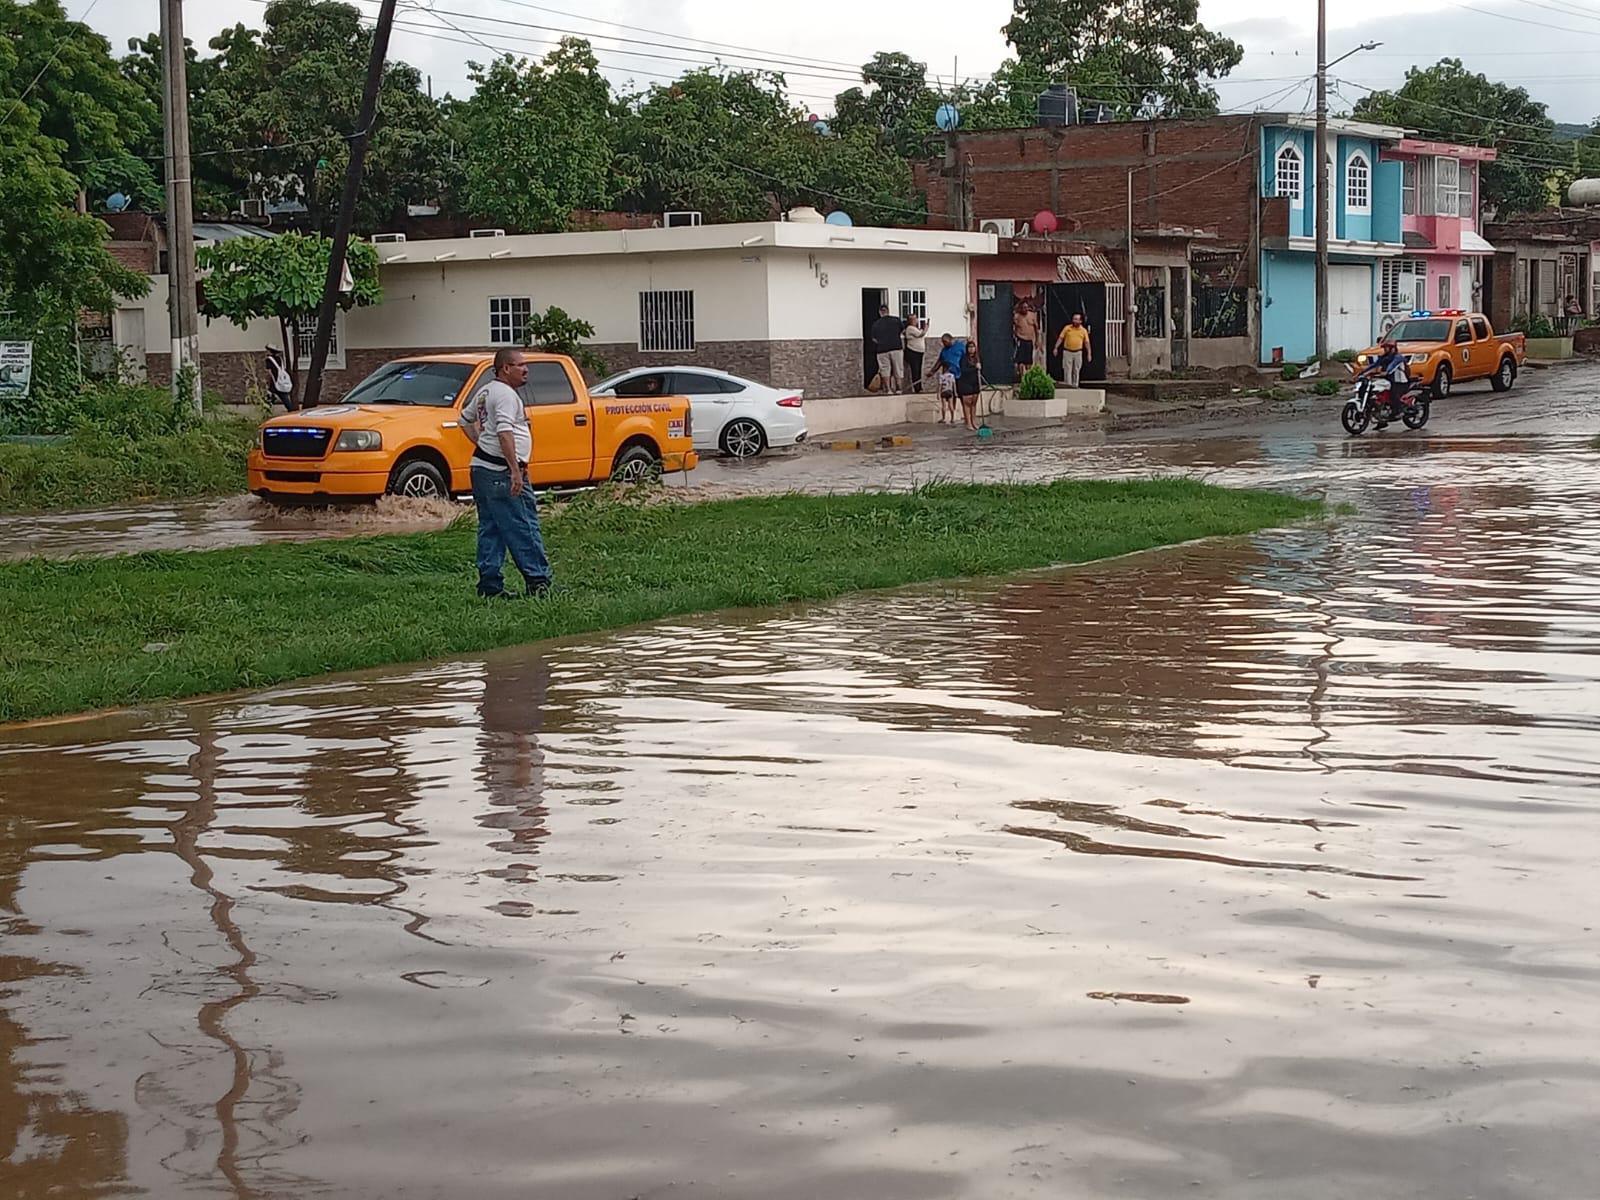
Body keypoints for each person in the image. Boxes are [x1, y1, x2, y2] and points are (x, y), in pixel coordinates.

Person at [459, 348, 553, 599]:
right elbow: (504, 432)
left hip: (482, 468)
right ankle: (539, 583)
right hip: (501, 472)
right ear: (505, 368)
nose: (526, 370)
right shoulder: (505, 395)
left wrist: (481, 445)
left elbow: (464, 419)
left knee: (491, 528)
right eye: (520, 365)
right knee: (522, 526)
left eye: (526, 365)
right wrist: (514, 470)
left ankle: (490, 587)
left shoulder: (486, 390)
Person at [1358, 338, 1412, 422]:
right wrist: (1361, 373)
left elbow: (1392, 366)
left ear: (1392, 348)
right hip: (1389, 381)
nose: (1385, 349)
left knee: (1393, 395)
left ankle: (1397, 412)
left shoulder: (1398, 358)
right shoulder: (1384, 357)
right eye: (1384, 348)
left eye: (1387, 347)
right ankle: (1380, 417)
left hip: (1400, 382)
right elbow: (1374, 365)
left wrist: (1386, 372)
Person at [869, 303, 905, 393]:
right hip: (896, 348)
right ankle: (899, 389)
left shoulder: (876, 324)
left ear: (880, 312)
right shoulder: (896, 320)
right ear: (888, 311)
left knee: (885, 370)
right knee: (898, 368)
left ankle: (888, 390)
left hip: (882, 350)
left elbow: (874, 339)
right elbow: (903, 331)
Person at [1055, 312, 1091, 387]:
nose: (1075, 321)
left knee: (1076, 370)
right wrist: (1056, 347)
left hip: (1078, 352)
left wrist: (1089, 354)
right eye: (1074, 319)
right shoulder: (1067, 328)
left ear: (1080, 321)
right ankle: (1068, 386)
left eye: (1077, 319)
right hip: (1067, 352)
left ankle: (1075, 386)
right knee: (1067, 370)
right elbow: (1060, 338)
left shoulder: (1083, 330)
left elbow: (1087, 343)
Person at [935, 332, 964, 424]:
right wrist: (932, 371)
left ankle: (960, 414)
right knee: (947, 401)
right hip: (948, 383)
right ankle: (947, 417)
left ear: (950, 340)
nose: (944, 344)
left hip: (959, 374)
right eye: (943, 342)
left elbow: (966, 357)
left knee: (960, 395)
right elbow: (939, 361)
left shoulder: (960, 346)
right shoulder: (944, 351)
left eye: (945, 342)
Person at [956, 338, 982, 431]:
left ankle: (974, 421)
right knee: (967, 403)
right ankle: (968, 422)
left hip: (975, 382)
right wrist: (974, 368)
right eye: (969, 347)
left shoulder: (977, 358)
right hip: (965, 382)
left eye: (973, 347)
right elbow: (963, 370)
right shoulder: (964, 359)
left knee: (974, 403)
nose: (971, 349)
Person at [1012, 299, 1038, 376]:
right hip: (1021, 339)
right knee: (1020, 361)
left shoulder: (1032, 315)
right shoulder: (1017, 316)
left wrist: (1037, 340)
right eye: (1023, 307)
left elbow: (1036, 329)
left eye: (1026, 307)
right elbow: (1013, 327)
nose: (1024, 309)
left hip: (1029, 340)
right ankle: (1021, 377)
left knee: (1029, 361)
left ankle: (1028, 376)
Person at [902, 314, 927, 393]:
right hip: (913, 351)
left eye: (916, 319)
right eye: (913, 319)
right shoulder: (910, 328)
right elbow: (921, 334)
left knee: (918, 370)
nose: (916, 320)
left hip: (919, 351)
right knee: (915, 370)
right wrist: (926, 327)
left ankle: (919, 387)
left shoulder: (916, 328)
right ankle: (917, 388)